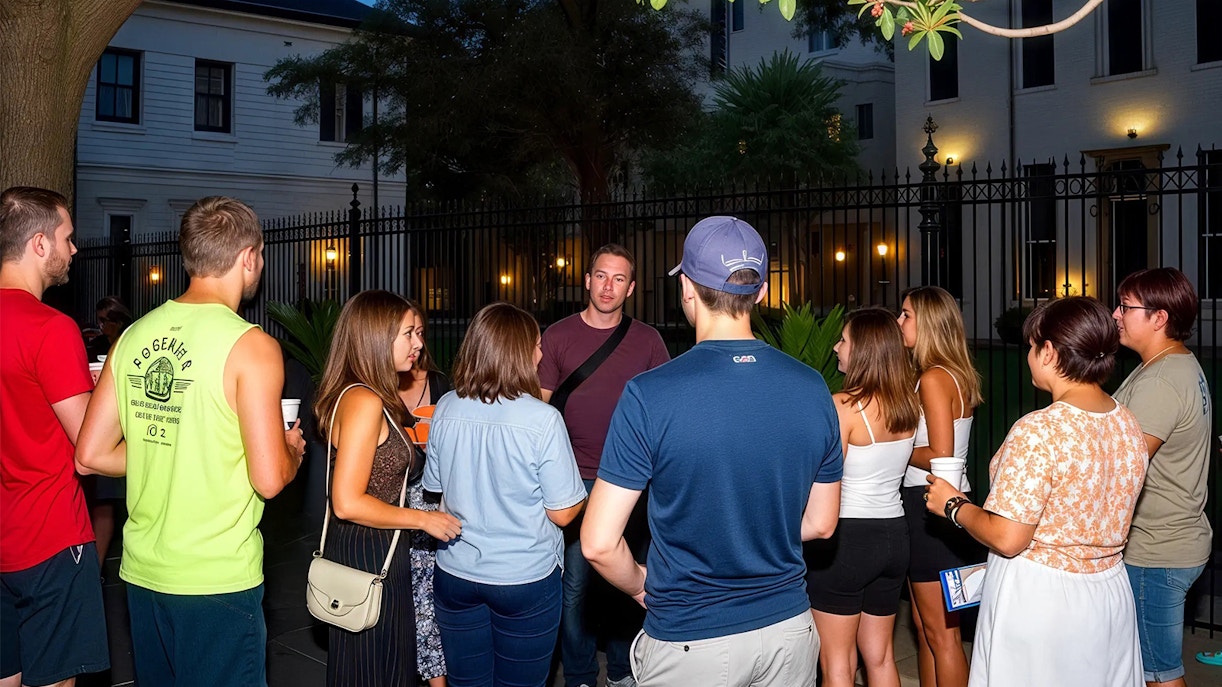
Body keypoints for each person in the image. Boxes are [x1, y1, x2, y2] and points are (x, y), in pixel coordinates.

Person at [582, 216, 843, 687]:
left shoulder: (650, 394)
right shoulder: (813, 388)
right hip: (789, 630)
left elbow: (599, 543)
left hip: (691, 635)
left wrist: (642, 585)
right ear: (761, 293)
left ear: (687, 287)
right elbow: (822, 524)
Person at [75, 196, 306, 687]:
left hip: (143, 574)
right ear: (248, 257)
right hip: (216, 580)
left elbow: (90, 454)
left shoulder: (132, 336)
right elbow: (268, 480)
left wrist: (168, 444)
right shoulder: (253, 346)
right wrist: (290, 450)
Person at [926, 296, 1148, 687]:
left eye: (1031, 346)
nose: (1029, 356)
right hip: (1109, 591)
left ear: (1048, 352)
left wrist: (953, 504)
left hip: (1042, 599)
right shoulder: (1127, 421)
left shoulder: (1039, 430)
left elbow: (1008, 537)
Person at [424, 303, 587, 687]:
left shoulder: (445, 406)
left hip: (456, 572)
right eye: (536, 345)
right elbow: (563, 513)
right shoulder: (542, 419)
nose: (541, 354)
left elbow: (435, 488)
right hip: (523, 578)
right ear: (517, 352)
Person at [315, 290, 462, 687]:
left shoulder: (361, 393)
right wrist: (424, 520)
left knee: (376, 666)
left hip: (372, 545)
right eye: (408, 333)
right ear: (377, 338)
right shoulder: (364, 400)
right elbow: (346, 502)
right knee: (377, 668)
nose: (418, 344)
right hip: (369, 551)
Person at [538, 243, 670, 687]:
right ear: (587, 280)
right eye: (600, 276)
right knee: (575, 587)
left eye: (618, 278)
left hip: (632, 482)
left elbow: (664, 410)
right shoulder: (557, 336)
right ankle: (578, 675)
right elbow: (538, 411)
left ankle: (622, 671)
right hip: (573, 481)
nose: (608, 286)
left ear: (631, 288)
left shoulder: (648, 340)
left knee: (626, 581)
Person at [1, 186, 110, 687]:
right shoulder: (50, 328)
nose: (74, 249)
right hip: (49, 535)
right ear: (39, 243)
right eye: (67, 237)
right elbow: (90, 447)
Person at [1111, 267, 1213, 687]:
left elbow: (1122, 467)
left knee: (1160, 675)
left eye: (1125, 307)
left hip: (1157, 552)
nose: (1116, 314)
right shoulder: (1169, 364)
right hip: (1172, 542)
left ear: (1159, 317)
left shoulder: (1161, 381)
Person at [806, 307, 919, 687]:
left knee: (837, 664)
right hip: (894, 536)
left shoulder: (843, 405)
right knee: (881, 656)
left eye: (844, 340)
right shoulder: (907, 404)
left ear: (864, 350)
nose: (836, 347)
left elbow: (823, 478)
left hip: (847, 541)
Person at [896, 285, 984, 687]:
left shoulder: (934, 377)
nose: (899, 322)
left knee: (941, 634)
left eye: (907, 314)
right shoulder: (951, 374)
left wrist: (893, 448)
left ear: (928, 323)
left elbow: (941, 454)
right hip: (944, 505)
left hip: (931, 504)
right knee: (927, 627)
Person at [397, 300, 452, 687]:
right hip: (392, 501)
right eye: (408, 333)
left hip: (432, 500)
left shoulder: (442, 385)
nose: (416, 341)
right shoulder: (378, 386)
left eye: (420, 332)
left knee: (428, 597)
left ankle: (436, 676)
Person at [85, 295, 134, 568]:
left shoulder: (131, 340)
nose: (102, 326)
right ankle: (98, 567)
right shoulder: (97, 346)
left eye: (107, 320)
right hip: (106, 428)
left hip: (128, 426)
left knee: (125, 502)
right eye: (100, 321)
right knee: (104, 503)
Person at [87, 295, 133, 362]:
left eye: (103, 320)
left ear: (119, 322)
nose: (100, 324)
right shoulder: (95, 346)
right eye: (98, 319)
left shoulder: (131, 343)